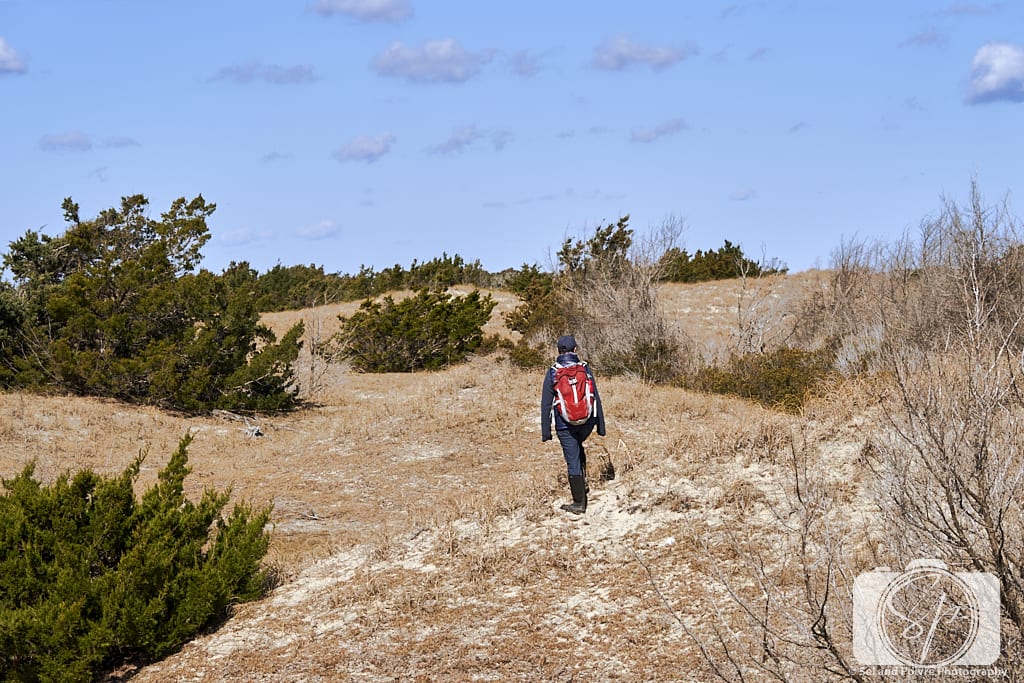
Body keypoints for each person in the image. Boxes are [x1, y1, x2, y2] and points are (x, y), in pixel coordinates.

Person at [541, 334, 606, 514]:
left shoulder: (553, 371)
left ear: (558, 351)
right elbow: (595, 397)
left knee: (572, 460)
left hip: (564, 425)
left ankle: (579, 503)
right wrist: (600, 425)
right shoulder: (584, 368)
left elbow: (546, 403)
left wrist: (546, 431)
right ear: (575, 349)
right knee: (578, 446)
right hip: (587, 422)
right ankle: (582, 485)